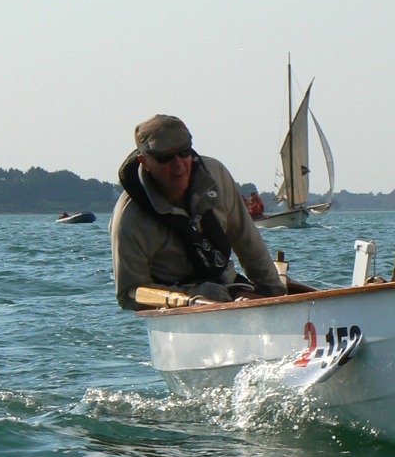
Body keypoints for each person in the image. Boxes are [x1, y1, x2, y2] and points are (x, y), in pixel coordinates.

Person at [109, 114, 287, 310]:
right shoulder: (128, 219)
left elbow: (248, 243)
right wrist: (194, 296)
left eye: (184, 152)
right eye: (165, 158)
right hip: (179, 304)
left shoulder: (216, 175)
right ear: (145, 161)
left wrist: (277, 297)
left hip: (230, 287)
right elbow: (130, 293)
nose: (178, 165)